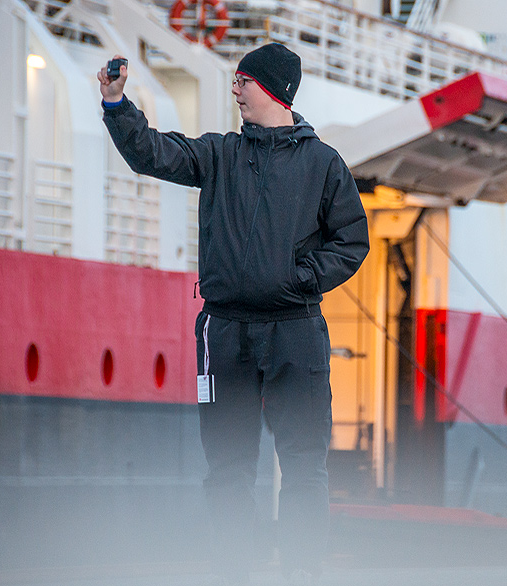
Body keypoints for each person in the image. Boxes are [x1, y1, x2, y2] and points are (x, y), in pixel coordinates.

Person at [97, 44, 369, 585]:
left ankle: (301, 572)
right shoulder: (219, 154)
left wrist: (299, 280)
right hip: (225, 332)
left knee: (304, 464)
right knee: (227, 466)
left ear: (274, 90)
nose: (235, 89)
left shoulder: (323, 164)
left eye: (243, 81)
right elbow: (152, 153)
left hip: (295, 331)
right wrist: (116, 104)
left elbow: (351, 242)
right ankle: (232, 572)